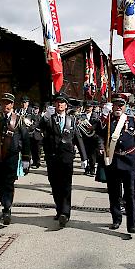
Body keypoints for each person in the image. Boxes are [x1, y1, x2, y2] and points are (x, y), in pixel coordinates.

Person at [97, 93, 135, 234]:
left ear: (125, 107)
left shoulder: (132, 120)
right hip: (113, 160)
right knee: (114, 193)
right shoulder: (107, 120)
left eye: (121, 105)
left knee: (130, 193)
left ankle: (132, 224)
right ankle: (116, 219)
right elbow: (98, 134)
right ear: (112, 107)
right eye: (116, 105)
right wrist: (100, 147)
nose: (118, 107)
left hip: (129, 160)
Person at [38, 93, 88, 227]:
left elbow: (78, 138)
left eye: (62, 103)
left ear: (66, 105)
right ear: (54, 105)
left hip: (66, 158)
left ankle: (65, 213)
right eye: (57, 102)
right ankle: (59, 209)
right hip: (52, 157)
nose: (60, 104)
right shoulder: (49, 119)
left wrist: (84, 158)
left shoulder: (71, 120)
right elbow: (38, 130)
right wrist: (44, 117)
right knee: (55, 184)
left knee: (66, 185)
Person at [0, 92, 31, 225]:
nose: (6, 105)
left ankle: (7, 208)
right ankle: (5, 205)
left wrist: (26, 159)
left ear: (12, 104)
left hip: (11, 156)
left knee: (9, 182)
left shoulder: (19, 119)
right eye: (4, 103)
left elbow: (26, 139)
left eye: (8, 103)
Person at [29, 103, 44, 168]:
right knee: (33, 150)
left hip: (38, 135)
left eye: (36, 109)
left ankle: (37, 162)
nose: (35, 110)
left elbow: (38, 124)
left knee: (37, 150)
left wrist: (33, 125)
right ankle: (34, 162)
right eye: (34, 108)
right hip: (31, 135)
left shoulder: (40, 116)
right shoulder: (31, 116)